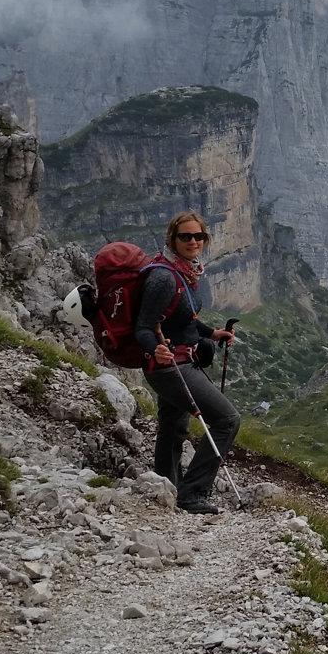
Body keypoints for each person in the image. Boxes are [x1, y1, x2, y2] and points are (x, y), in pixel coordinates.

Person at [135, 211, 242, 514]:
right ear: (172, 239)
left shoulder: (185, 271)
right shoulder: (163, 278)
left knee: (173, 425)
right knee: (227, 420)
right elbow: (143, 328)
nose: (193, 241)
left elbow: (184, 320)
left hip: (176, 362)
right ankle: (192, 493)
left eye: (199, 236)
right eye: (185, 236)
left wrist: (212, 333)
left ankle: (165, 486)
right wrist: (155, 349)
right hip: (171, 366)